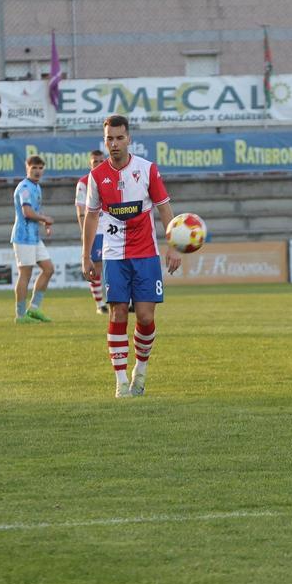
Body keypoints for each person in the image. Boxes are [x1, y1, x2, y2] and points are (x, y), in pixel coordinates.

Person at [82, 115, 182, 399]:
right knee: (117, 312)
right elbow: (91, 217)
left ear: (129, 139)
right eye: (109, 139)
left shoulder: (147, 169)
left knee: (146, 317)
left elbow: (164, 208)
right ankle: (121, 381)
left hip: (146, 253)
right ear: (105, 141)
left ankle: (141, 369)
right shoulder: (96, 177)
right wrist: (86, 255)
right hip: (114, 256)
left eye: (119, 138)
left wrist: (173, 246)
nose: (114, 143)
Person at [12, 155, 55, 324]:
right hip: (23, 237)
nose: (37, 171)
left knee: (48, 269)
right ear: (27, 168)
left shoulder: (36, 187)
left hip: (34, 237)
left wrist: (44, 222)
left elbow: (36, 211)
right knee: (25, 274)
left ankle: (34, 309)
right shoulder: (24, 187)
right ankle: (20, 315)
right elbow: (27, 212)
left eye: (40, 168)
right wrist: (45, 219)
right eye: (34, 168)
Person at [75, 149, 108, 314]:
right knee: (97, 267)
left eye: (102, 161)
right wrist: (84, 232)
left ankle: (123, 301)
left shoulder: (111, 178)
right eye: (95, 161)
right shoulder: (83, 182)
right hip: (95, 230)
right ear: (90, 164)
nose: (99, 164)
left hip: (111, 229)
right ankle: (100, 304)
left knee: (116, 265)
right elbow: (80, 210)